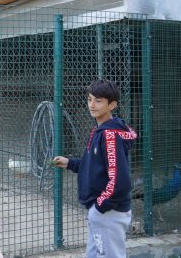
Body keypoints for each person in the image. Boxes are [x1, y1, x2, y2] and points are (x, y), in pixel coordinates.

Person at [53, 79, 136, 258]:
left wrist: (100, 206)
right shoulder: (100, 131)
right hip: (99, 211)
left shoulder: (110, 136)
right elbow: (94, 164)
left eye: (98, 101)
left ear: (112, 104)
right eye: (90, 99)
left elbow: (119, 181)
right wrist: (70, 163)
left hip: (108, 213)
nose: (92, 105)